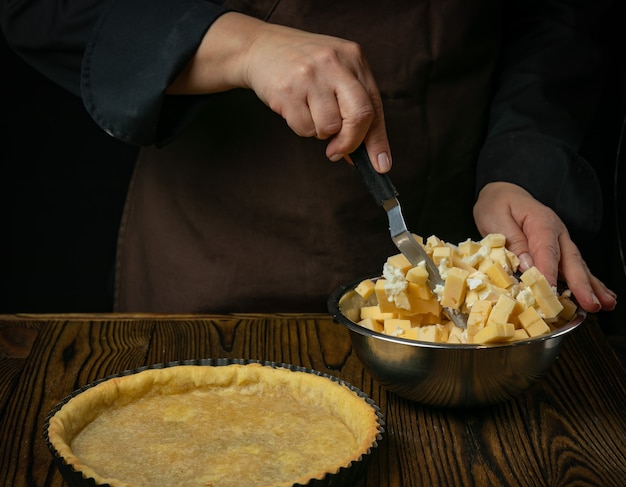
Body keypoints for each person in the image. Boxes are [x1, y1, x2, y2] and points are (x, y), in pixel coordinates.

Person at [1, 0, 618, 315]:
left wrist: (522, 165)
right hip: (212, 260)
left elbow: (559, 18)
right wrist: (242, 43)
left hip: (458, 220)